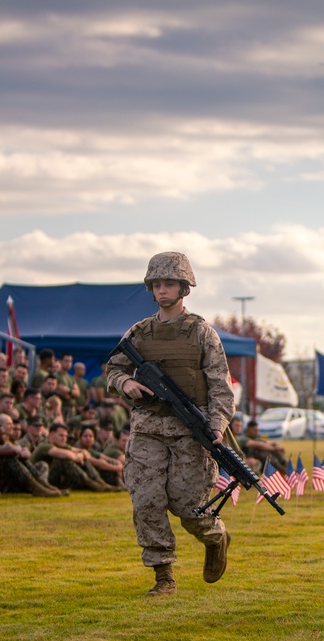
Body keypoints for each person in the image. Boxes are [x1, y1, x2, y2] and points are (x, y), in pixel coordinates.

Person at [104, 251, 234, 597]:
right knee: (145, 498)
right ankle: (164, 576)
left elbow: (221, 385)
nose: (162, 291)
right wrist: (124, 383)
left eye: (169, 284)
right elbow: (113, 367)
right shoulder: (140, 332)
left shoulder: (202, 333)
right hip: (148, 427)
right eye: (157, 285)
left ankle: (214, 535)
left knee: (187, 504)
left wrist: (217, 426)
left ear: (184, 289)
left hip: (191, 431)